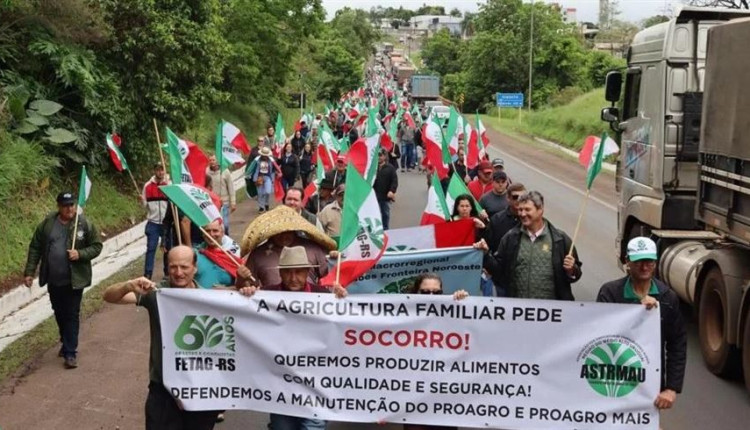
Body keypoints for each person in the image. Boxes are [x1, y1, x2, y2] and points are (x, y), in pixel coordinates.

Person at [102, 246, 220, 429]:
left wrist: (248, 291)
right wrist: (128, 285)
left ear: (195, 267)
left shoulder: (211, 299)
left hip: (200, 389)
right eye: (173, 267)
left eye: (184, 267)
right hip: (163, 390)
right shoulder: (157, 294)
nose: (178, 273)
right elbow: (109, 296)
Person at [238, 246, 345, 430]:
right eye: (288, 272)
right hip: (280, 383)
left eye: (299, 272)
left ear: (307, 271)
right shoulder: (265, 295)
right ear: (280, 273)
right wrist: (245, 292)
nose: (293, 278)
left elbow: (343, 328)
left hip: (315, 382)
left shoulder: (324, 295)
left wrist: (342, 299)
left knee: (313, 426)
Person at [597, 237, 687, 412]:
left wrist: (671, 388)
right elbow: (601, 335)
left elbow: (677, 344)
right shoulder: (609, 293)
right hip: (611, 379)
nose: (644, 267)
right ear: (627, 262)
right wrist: (637, 311)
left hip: (648, 385)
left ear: (655, 262)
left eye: (649, 262)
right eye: (638, 262)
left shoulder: (668, 298)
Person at [24, 192, 103, 369]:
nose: (70, 209)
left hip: (75, 280)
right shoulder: (48, 224)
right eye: (66, 205)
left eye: (72, 205)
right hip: (54, 279)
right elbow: (35, 246)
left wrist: (80, 254)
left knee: (71, 313)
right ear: (59, 206)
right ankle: (65, 339)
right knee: (58, 311)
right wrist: (29, 271)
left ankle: (70, 352)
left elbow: (97, 246)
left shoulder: (83, 224)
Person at [475, 191, 582, 299]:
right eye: (520, 210)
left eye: (527, 209)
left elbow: (576, 274)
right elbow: (499, 271)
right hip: (519, 308)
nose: (522, 214)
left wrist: (572, 270)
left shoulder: (560, 239)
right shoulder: (511, 238)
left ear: (540, 210)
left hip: (551, 311)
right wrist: (486, 254)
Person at [236, 206, 336, 289]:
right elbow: (246, 287)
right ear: (271, 232)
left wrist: (334, 261)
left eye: (288, 232)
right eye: (279, 232)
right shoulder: (257, 254)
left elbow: (331, 278)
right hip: (271, 308)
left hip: (309, 306)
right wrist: (241, 279)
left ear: (295, 229)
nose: (284, 236)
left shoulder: (313, 248)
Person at [194, 219, 242, 289]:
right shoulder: (195, 253)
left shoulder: (233, 255)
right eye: (207, 231)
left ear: (222, 233)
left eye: (215, 231)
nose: (211, 234)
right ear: (203, 234)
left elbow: (241, 286)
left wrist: (225, 289)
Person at [141, 162, 170, 279]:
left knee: (167, 249)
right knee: (151, 249)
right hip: (153, 222)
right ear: (154, 171)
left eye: (162, 170)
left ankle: (167, 273)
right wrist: (141, 201)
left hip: (166, 223)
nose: (160, 172)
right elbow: (145, 204)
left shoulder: (169, 185)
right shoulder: (147, 186)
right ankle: (148, 274)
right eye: (158, 170)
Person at [484, 182, 526, 252]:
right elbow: (489, 245)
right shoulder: (496, 220)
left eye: (522, 197)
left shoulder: (531, 219)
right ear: (508, 198)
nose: (519, 200)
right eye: (515, 197)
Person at [206, 155, 236, 234]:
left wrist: (233, 202)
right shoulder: (206, 172)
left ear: (218, 161)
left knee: (225, 225)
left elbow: (231, 187)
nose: (212, 162)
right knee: (215, 224)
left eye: (214, 160)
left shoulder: (225, 172)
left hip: (224, 203)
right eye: (210, 160)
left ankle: (227, 239)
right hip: (212, 203)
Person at [373, 148, 398, 230]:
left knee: (385, 213)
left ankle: (385, 229)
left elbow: (394, 181)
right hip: (373, 196)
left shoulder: (390, 168)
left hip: (385, 196)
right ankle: (375, 230)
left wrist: (392, 191)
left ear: (384, 156)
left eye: (380, 155)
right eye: (377, 155)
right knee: (374, 214)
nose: (379, 157)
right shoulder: (372, 169)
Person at [247, 146, 278, 213]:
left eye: (266, 155)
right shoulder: (257, 160)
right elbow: (253, 168)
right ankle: (261, 207)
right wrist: (252, 177)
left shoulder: (271, 160)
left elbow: (275, 167)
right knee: (260, 193)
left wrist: (277, 173)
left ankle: (266, 203)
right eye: (263, 155)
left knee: (267, 191)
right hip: (259, 177)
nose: (264, 156)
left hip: (267, 177)